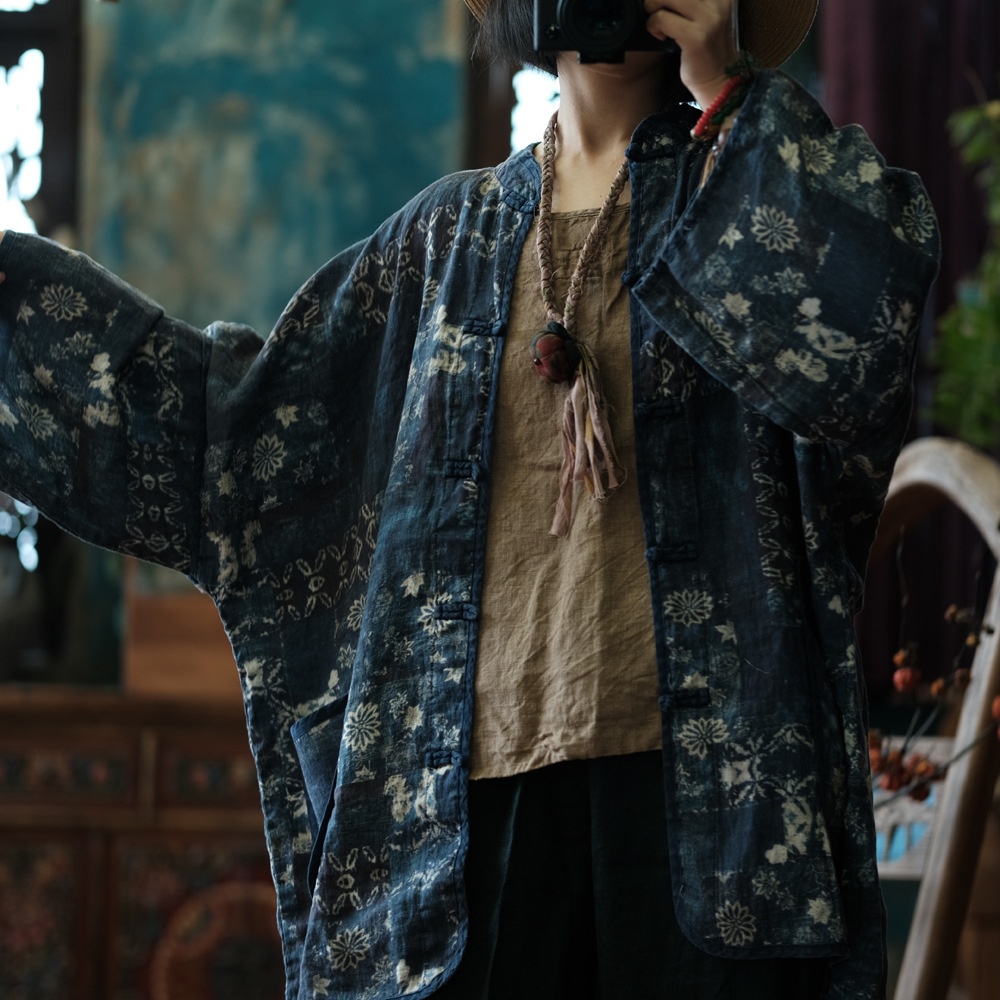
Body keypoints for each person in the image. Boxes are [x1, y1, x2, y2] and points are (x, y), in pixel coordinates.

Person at [0, 0, 939, 997]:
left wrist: (725, 88)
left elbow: (865, 331)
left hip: (720, 821)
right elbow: (237, 441)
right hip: (466, 826)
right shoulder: (439, 245)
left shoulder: (753, 187)